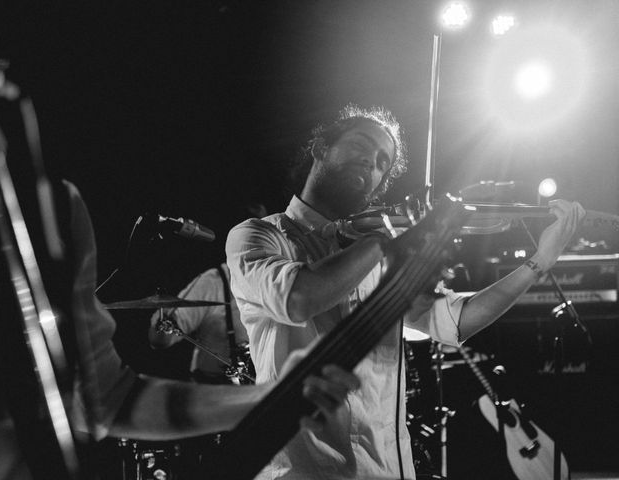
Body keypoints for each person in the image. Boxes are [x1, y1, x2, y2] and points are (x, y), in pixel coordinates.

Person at [225, 104, 585, 479]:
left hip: (387, 469)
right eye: (362, 146)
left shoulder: (378, 254)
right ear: (320, 148)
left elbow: (453, 323)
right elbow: (298, 299)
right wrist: (388, 239)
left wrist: (539, 262)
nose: (372, 163)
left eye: (383, 162)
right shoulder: (260, 235)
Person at [0, 171, 360, 480]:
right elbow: (160, 338)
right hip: (207, 386)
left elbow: (110, 398)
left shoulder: (49, 208)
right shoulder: (215, 279)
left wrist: (275, 396)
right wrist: (165, 323)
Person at [148, 203, 267, 385]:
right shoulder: (213, 283)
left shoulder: (279, 277)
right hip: (216, 391)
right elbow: (159, 340)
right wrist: (165, 320)